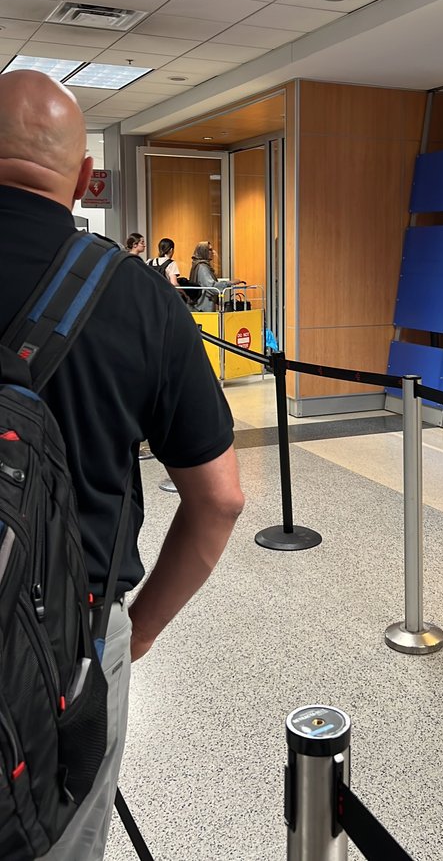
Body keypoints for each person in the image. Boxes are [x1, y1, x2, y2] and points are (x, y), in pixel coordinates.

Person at [0, 70, 245, 861]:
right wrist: (135, 633)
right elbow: (220, 499)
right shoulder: (136, 296)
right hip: (72, 642)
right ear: (82, 178)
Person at [189, 240, 221, 311]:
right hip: (203, 306)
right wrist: (229, 283)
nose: (213, 252)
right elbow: (211, 286)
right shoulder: (202, 267)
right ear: (203, 251)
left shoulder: (200, 265)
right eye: (210, 250)